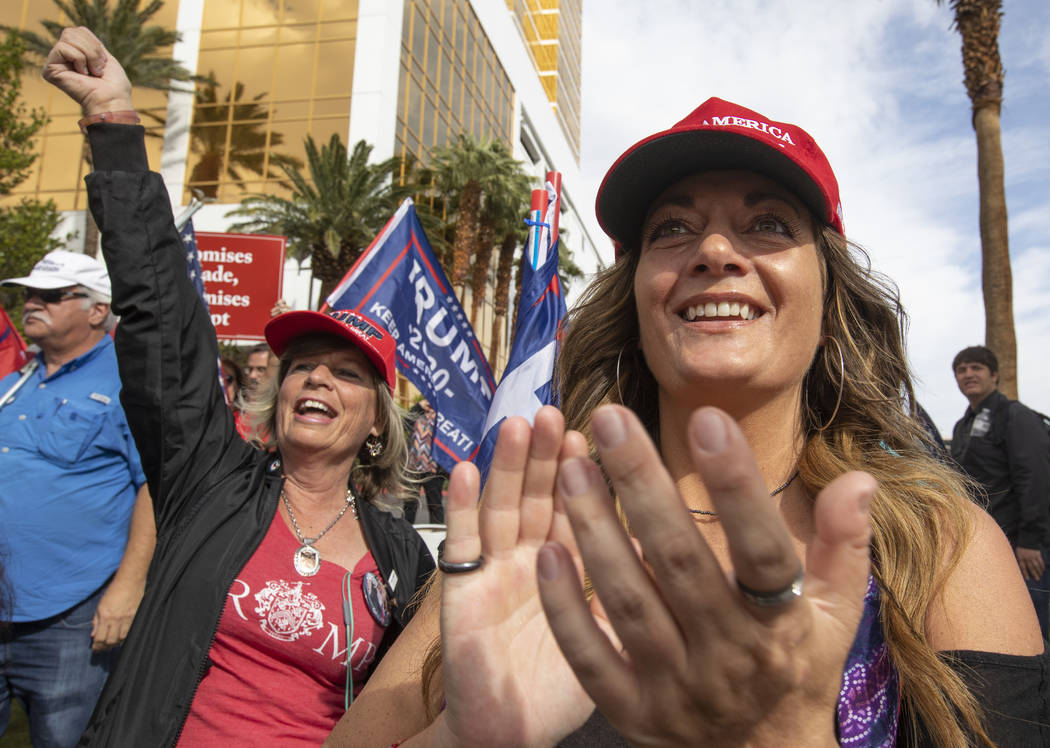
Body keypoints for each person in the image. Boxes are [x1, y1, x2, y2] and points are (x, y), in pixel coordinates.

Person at [330, 98, 1049, 746]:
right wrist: (460, 741)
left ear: (831, 306)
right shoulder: (529, 535)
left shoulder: (937, 540)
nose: (713, 251)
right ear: (636, 303)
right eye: (673, 229)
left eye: (767, 224)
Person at [41, 28, 434, 745]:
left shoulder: (405, 558)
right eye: (304, 365)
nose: (317, 376)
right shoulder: (210, 480)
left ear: (379, 423)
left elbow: (419, 705)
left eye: (348, 373)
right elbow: (163, 321)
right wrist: (116, 127)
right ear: (278, 394)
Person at [0, 250, 154, 747]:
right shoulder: (13, 381)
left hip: (71, 617)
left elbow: (154, 487)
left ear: (95, 309)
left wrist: (127, 590)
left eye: (50, 295)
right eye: (29, 294)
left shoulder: (131, 382)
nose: (31, 304)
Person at [950, 344, 1050, 637]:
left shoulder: (1015, 416)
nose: (968, 374)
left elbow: (1035, 477)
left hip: (1026, 550)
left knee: (1035, 633)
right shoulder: (961, 426)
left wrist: (1030, 540)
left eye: (976, 368)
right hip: (987, 545)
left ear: (994, 375)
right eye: (961, 370)